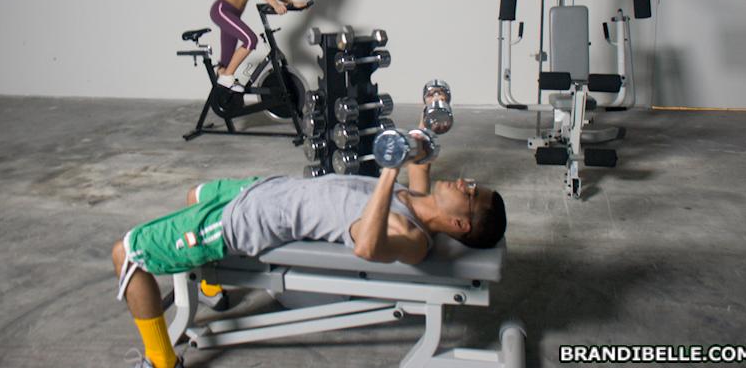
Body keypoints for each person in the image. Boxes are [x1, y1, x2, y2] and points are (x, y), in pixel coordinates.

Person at [111, 146, 507, 368]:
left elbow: (367, 247)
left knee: (127, 254)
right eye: (471, 183)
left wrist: (389, 171)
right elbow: (420, 164)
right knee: (195, 194)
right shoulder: (421, 200)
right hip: (266, 189)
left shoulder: (412, 236)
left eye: (471, 193)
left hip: (251, 218)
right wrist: (426, 128)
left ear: (460, 225)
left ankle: (161, 361)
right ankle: (211, 284)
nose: (464, 183)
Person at [211, 0, 307, 92]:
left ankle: (222, 95)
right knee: (250, 40)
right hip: (222, 10)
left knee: (225, 64)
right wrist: (275, 5)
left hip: (234, 15)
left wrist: (292, 3)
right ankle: (227, 77)